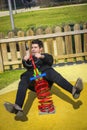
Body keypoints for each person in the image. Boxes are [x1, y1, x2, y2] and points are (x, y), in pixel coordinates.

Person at [4, 39, 83, 117]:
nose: (33, 49)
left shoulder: (45, 56)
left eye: (35, 47)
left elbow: (50, 60)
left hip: (45, 80)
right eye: (32, 47)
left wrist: (41, 56)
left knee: (50, 71)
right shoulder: (29, 59)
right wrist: (25, 59)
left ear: (40, 49)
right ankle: (18, 107)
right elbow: (27, 66)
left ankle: (74, 91)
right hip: (34, 83)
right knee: (24, 78)